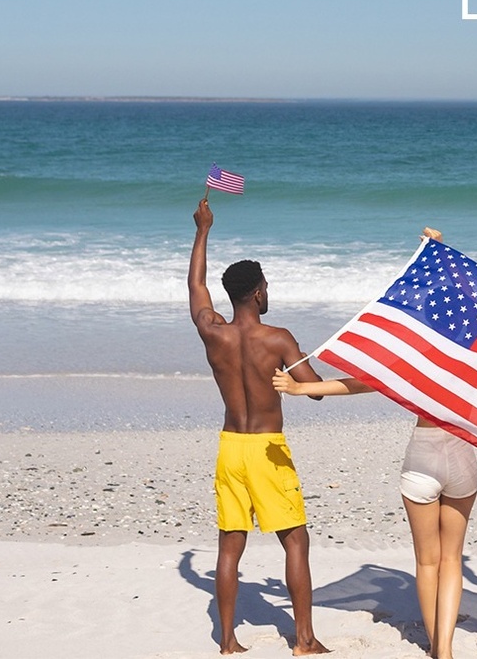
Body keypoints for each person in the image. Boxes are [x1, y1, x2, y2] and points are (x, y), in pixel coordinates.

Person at [273, 228, 476, 659]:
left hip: (422, 456)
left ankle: (437, 650)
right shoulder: (470, 355)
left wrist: (298, 389)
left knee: (426, 562)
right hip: (460, 455)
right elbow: (465, 303)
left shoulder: (414, 355)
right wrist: (439, 255)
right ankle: (448, 649)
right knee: (452, 560)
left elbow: (360, 383)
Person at [187, 196, 331, 655]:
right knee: (295, 539)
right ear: (257, 293)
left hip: (231, 446)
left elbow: (196, 287)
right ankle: (304, 639)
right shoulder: (278, 339)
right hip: (268, 449)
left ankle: (228, 642)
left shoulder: (214, 332)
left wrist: (202, 229)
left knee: (230, 545)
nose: (269, 293)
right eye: (266, 287)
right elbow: (317, 391)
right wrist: (299, 380)